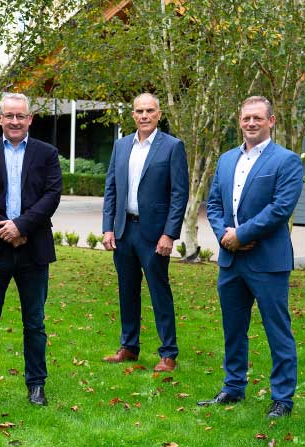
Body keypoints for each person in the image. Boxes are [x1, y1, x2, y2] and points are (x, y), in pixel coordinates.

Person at [199, 96, 302, 418]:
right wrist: (224, 236)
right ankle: (233, 387)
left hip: (268, 261)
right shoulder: (226, 159)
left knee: (277, 330)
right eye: (246, 118)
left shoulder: (286, 161)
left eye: (258, 118)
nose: (251, 123)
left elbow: (280, 208)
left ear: (271, 121)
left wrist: (241, 234)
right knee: (233, 329)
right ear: (240, 121)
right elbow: (213, 204)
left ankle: (282, 398)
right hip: (231, 261)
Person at [0, 93, 62, 406]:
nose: (15, 121)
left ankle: (36, 385)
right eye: (9, 115)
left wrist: (21, 226)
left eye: (21, 116)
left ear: (30, 119)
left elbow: (52, 195)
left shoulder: (47, 153)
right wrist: (5, 228)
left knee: (34, 323)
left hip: (34, 249)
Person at [101, 93, 188, 373]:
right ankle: (129, 346)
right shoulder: (121, 145)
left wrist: (169, 234)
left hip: (154, 234)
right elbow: (111, 189)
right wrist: (107, 228)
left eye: (150, 110)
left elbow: (179, 195)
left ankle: (168, 353)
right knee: (127, 291)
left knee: (159, 292)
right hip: (124, 230)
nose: (144, 115)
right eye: (139, 111)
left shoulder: (172, 147)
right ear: (133, 115)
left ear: (159, 114)